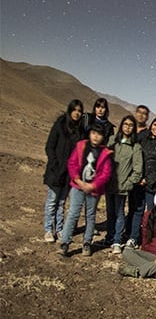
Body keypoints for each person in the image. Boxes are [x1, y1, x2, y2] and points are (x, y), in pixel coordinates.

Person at [59, 123, 113, 257]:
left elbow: (106, 173)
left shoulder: (105, 153)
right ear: (89, 133)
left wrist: (93, 185)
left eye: (99, 134)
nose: (95, 136)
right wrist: (77, 179)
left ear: (103, 137)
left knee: (90, 215)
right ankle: (64, 243)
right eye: (93, 133)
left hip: (93, 190)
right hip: (78, 186)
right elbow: (72, 163)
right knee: (73, 213)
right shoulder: (81, 146)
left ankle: (87, 243)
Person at [43, 100, 85, 242]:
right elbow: (50, 146)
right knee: (52, 201)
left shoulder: (80, 130)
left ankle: (59, 229)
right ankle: (48, 230)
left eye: (79, 111)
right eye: (75, 110)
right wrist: (54, 163)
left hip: (69, 173)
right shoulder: (60, 125)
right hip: (56, 170)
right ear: (70, 110)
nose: (77, 113)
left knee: (61, 202)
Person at [104, 115, 143, 254]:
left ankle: (117, 240)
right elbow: (104, 159)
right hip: (109, 183)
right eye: (125, 124)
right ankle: (109, 237)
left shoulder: (135, 147)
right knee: (110, 212)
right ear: (121, 125)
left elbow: (138, 169)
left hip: (122, 186)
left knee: (119, 213)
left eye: (130, 125)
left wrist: (128, 183)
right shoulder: (112, 140)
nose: (127, 127)